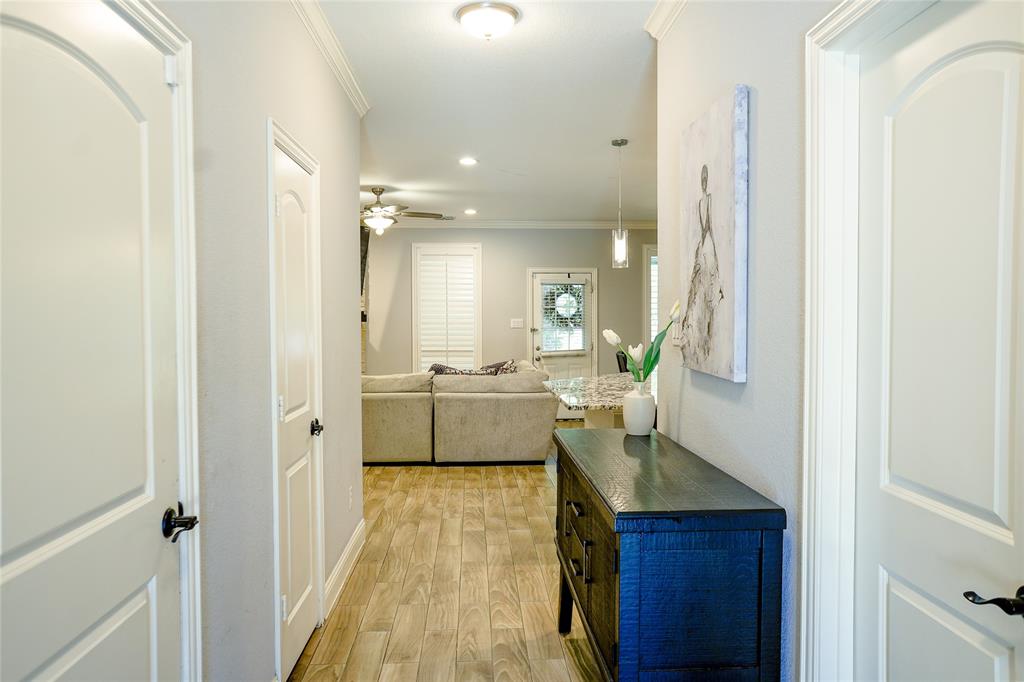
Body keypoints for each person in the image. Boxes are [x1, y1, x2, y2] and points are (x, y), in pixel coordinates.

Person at [680, 164, 724, 363]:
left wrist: (710, 248)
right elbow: (706, 228)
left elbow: (710, 227)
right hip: (704, 245)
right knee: (699, 290)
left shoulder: (708, 200)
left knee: (706, 290)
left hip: (706, 246)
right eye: (702, 178)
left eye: (705, 177)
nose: (704, 181)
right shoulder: (701, 202)